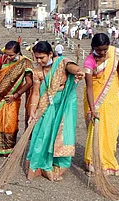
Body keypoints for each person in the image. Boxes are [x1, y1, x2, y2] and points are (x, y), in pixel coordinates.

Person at [26, 41, 85, 181]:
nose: (39, 61)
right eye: (37, 58)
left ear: (50, 54)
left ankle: (56, 165)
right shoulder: (37, 72)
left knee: (61, 134)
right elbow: (35, 93)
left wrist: (78, 72)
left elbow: (71, 66)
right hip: (46, 106)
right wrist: (32, 111)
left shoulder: (61, 63)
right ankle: (41, 166)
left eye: (42, 58)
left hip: (63, 106)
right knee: (43, 134)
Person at [83, 33, 119, 176]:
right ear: (93, 47)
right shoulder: (89, 62)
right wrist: (92, 108)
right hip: (95, 99)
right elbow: (89, 87)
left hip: (112, 97)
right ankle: (93, 161)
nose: (102, 52)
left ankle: (108, 161)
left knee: (111, 129)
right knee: (96, 128)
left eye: (105, 49)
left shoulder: (114, 53)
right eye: (99, 49)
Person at [0, 41, 33, 156]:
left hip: (13, 97)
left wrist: (16, 95)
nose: (8, 57)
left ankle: (7, 148)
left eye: (11, 55)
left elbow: (29, 83)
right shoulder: (1, 59)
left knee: (10, 122)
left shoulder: (25, 63)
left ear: (18, 53)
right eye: (7, 54)